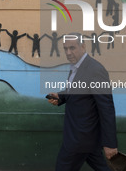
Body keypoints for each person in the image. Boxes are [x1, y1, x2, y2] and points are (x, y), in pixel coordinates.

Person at [48, 34, 118, 171]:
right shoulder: (77, 66)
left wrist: (110, 143)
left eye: (72, 48)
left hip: (79, 139)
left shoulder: (95, 70)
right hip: (84, 138)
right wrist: (60, 97)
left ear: (83, 46)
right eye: (65, 48)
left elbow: (106, 108)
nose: (68, 52)